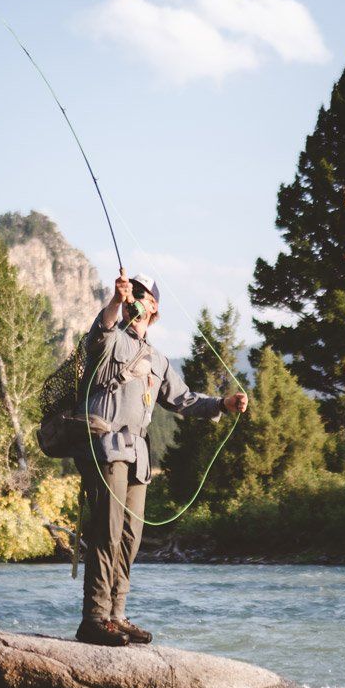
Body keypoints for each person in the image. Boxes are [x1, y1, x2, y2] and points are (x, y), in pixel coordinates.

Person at [73, 269, 248, 646]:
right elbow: (100, 334)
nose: (133, 296)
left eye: (140, 293)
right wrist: (115, 302)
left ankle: (116, 616)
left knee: (130, 537)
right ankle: (94, 618)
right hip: (104, 447)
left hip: (138, 456)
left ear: (154, 306)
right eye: (130, 291)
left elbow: (184, 400)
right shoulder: (110, 338)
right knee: (107, 530)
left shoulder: (157, 359)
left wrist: (224, 403)